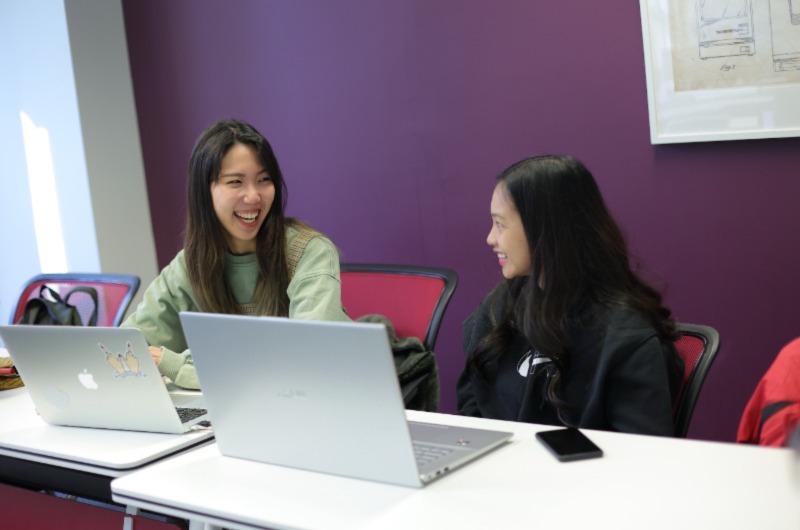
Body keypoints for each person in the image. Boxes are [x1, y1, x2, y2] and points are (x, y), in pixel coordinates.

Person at [456, 155, 684, 436]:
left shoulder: (627, 339)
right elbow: (471, 410)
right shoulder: (499, 308)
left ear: (544, 229)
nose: (490, 238)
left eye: (500, 224)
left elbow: (641, 457)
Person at [123, 119, 349, 389]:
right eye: (235, 182)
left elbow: (307, 357)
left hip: (325, 401)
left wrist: (176, 365)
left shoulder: (309, 252)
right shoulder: (190, 264)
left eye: (264, 180)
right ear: (205, 192)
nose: (253, 196)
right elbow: (125, 347)